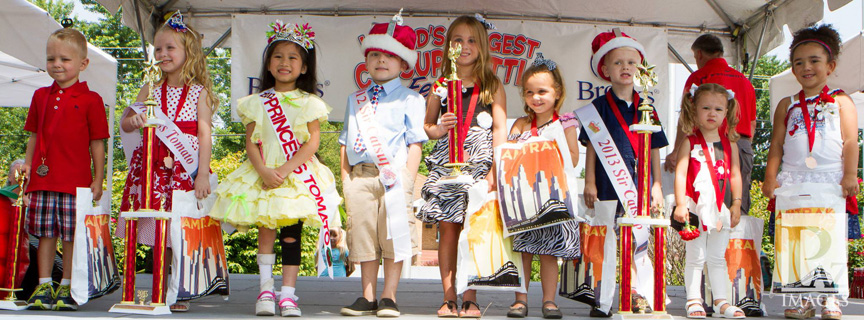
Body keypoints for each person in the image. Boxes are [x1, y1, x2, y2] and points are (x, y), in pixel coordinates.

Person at [208, 20, 339, 317]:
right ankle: (265, 291)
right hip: (263, 174)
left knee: (292, 235)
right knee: (265, 232)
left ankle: (289, 295)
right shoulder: (256, 102)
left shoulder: (310, 102)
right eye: (278, 56)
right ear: (268, 64)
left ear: (304, 67)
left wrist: (285, 170)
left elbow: (312, 143)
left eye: (293, 57)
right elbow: (251, 141)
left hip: (296, 177)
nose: (285, 63)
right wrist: (266, 172)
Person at [116, 12, 217, 312]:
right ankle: (158, 288)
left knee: (178, 230)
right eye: (158, 49)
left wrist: (201, 175)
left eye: (170, 48)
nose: (162, 54)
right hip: (152, 171)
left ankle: (180, 288)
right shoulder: (150, 87)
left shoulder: (200, 93)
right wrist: (134, 120)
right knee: (159, 229)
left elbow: (204, 134)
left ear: (189, 53)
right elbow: (125, 123)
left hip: (184, 171)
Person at [762, 24, 859, 320]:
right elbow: (776, 145)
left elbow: (851, 141)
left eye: (814, 61)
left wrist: (850, 174)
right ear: (792, 69)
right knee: (794, 239)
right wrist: (770, 177)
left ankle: (830, 300)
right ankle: (798, 297)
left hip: (830, 181)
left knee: (826, 238)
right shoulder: (786, 105)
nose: (807, 68)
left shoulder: (842, 101)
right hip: (792, 181)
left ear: (830, 66)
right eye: (799, 63)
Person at [337, 11, 427, 318]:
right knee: (361, 234)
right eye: (374, 54)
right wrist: (345, 179)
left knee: (393, 235)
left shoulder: (411, 99)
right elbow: (345, 141)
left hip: (394, 177)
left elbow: (416, 142)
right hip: (360, 177)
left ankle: (389, 295)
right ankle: (366, 296)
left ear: (403, 64)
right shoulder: (354, 99)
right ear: (366, 61)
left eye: (389, 56)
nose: (380, 61)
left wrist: (408, 178)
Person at [417, 15, 506, 318]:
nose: (464, 46)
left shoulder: (492, 84)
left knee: (474, 229)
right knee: (448, 229)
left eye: (471, 40)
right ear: (449, 46)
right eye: (458, 40)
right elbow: (427, 126)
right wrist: (439, 128)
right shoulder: (441, 84)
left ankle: (471, 295)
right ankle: (448, 295)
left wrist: (495, 170)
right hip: (448, 162)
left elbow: (500, 131)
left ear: (482, 46)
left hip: (480, 164)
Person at [576, 29, 668, 317]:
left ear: (640, 69)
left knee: (637, 243)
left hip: (638, 187)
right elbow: (590, 146)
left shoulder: (647, 107)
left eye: (631, 62)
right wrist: (589, 180)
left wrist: (656, 186)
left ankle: (639, 298)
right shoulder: (597, 108)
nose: (625, 68)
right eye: (618, 62)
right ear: (605, 69)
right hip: (604, 184)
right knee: (605, 242)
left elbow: (655, 148)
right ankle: (602, 301)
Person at [21, 27, 109, 311]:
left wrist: (98, 179)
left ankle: (68, 286)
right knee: (45, 234)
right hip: (43, 180)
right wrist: (27, 165)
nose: (57, 64)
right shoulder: (39, 96)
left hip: (76, 183)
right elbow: (33, 136)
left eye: (65, 59)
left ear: (83, 64)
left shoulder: (92, 100)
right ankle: (44, 284)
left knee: (71, 237)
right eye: (51, 58)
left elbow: (98, 143)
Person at [505, 56, 579, 319]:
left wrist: (546, 149)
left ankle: (549, 301)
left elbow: (573, 158)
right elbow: (508, 157)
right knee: (522, 251)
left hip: (553, 197)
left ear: (556, 92)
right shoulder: (520, 124)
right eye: (530, 92)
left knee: (549, 253)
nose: (536, 98)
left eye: (542, 92)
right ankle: (520, 299)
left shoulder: (566, 123)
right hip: (523, 199)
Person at [665, 34, 757, 218]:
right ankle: (736, 244)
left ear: (699, 54)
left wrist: (676, 151)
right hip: (740, 144)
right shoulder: (744, 81)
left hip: (705, 145)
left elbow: (686, 120)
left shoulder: (698, 77)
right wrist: (740, 145)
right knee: (737, 208)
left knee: (702, 203)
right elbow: (752, 123)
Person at [673, 83, 745, 319]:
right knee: (696, 256)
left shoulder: (730, 144)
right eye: (706, 108)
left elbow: (735, 174)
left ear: (727, 112)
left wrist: (736, 203)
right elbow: (681, 173)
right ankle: (694, 299)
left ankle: (721, 302)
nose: (712, 113)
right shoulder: (689, 142)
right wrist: (681, 204)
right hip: (695, 208)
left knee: (717, 257)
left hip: (721, 209)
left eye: (718, 109)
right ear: (694, 110)